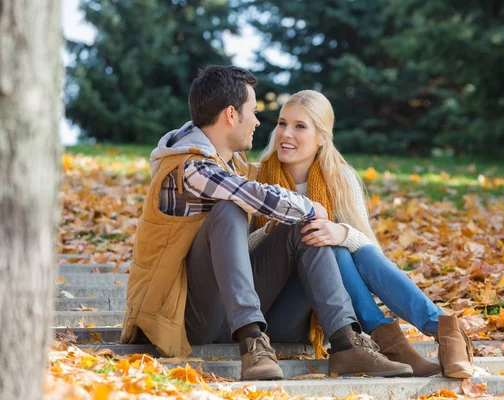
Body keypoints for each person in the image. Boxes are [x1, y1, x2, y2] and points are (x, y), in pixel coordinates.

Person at [121, 66, 414, 381]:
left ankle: (347, 344)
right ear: (232, 115)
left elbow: (267, 188)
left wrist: (323, 194)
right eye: (254, 112)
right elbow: (250, 194)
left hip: (230, 307)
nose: (259, 122)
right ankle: (252, 343)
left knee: (303, 229)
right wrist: (308, 204)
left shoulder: (234, 165)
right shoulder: (188, 168)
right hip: (185, 317)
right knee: (230, 210)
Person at [250, 90, 475, 379]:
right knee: (323, 242)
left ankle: (440, 330)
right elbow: (241, 254)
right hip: (276, 311)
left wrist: (341, 232)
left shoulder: (340, 178)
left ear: (322, 137)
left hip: (328, 314)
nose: (286, 134)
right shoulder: (256, 178)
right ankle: (418, 336)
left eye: (300, 126)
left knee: (340, 244)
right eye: (282, 123)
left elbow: (370, 256)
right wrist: (277, 232)